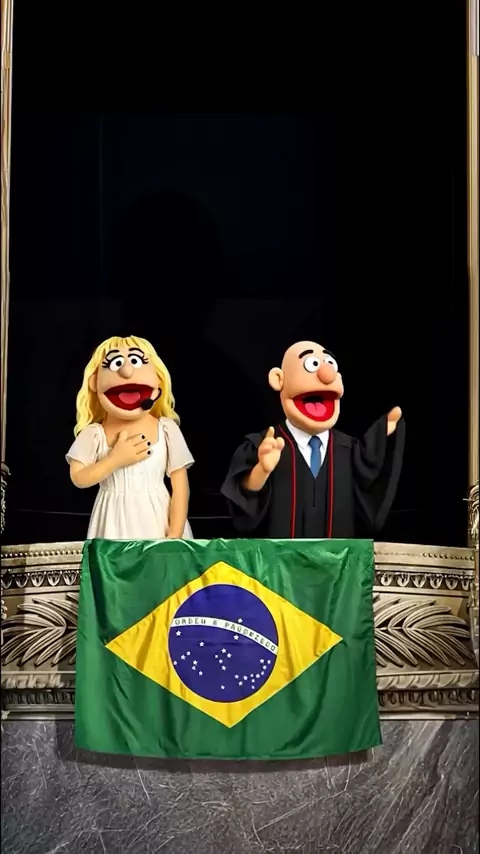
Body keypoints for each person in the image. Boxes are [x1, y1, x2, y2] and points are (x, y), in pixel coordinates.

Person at [221, 340, 405, 539]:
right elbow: (243, 502)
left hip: (336, 558)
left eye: (330, 364)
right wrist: (261, 470)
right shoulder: (264, 445)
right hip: (279, 558)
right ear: (278, 379)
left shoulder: (348, 449)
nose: (326, 374)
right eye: (312, 364)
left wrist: (384, 435)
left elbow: (372, 481)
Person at [66, 335, 194, 540]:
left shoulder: (167, 429)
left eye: (135, 361)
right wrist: (114, 459)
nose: (126, 371)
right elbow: (78, 477)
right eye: (115, 363)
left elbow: (181, 488)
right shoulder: (94, 434)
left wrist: (175, 533)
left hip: (158, 522)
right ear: (94, 381)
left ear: (158, 379)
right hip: (112, 525)